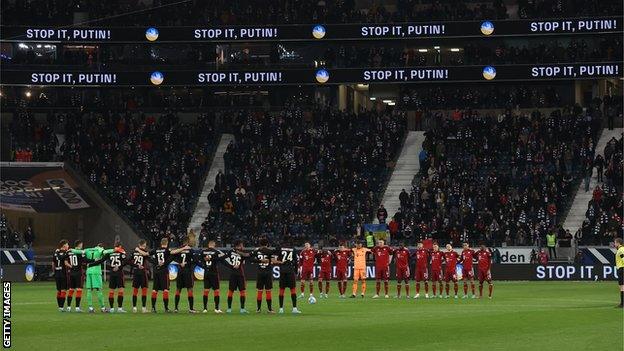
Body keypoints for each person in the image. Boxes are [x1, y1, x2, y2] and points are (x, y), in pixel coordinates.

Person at [70, 243, 117, 313]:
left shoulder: (88, 249)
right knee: (98, 290)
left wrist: (71, 250)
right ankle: (103, 308)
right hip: (96, 272)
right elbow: (106, 252)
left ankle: (90, 308)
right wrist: (114, 250)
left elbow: (79, 251)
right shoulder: (100, 249)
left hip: (89, 271)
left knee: (89, 290)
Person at [273, 239, 301, 314]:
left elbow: (274, 259)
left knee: (281, 290)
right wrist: (295, 271)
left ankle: (281, 309)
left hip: (282, 271)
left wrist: (280, 262)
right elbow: (296, 262)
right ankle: (294, 308)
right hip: (290, 271)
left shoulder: (279, 248)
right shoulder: (293, 249)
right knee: (293, 289)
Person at [223, 240, 249, 314]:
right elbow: (248, 256)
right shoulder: (241, 253)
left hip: (233, 274)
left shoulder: (230, 251)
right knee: (242, 291)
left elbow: (224, 259)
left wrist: (231, 266)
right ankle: (242, 309)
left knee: (231, 291)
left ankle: (229, 309)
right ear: (238, 245)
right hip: (240, 274)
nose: (242, 246)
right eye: (241, 245)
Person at [173, 237, 197, 313]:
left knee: (178, 289)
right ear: (188, 242)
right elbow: (195, 260)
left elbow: (173, 257)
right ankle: (191, 309)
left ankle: (176, 308)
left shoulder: (179, 249)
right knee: (189, 289)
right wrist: (188, 263)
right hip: (187, 271)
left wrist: (180, 263)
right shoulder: (190, 250)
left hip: (180, 271)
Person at [200, 240, 225, 313]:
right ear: (214, 245)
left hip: (206, 273)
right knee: (216, 291)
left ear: (208, 245)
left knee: (206, 291)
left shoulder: (203, 252)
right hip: (214, 273)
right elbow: (221, 259)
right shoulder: (216, 252)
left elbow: (200, 261)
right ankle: (216, 308)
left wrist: (204, 266)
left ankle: (205, 309)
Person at [251, 237, 274, 313]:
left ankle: (258, 309)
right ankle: (269, 309)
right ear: (267, 244)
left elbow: (251, 259)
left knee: (260, 291)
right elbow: (273, 260)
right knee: (268, 291)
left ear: (260, 244)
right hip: (268, 272)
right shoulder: (270, 251)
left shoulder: (257, 251)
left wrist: (260, 260)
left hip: (260, 273)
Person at [107, 242, 128, 313]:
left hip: (112, 273)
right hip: (119, 273)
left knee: (111, 291)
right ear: (120, 246)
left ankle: (112, 308)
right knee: (121, 290)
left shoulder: (110, 253)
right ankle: (119, 308)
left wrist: (111, 267)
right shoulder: (121, 252)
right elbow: (126, 261)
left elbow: (103, 260)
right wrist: (119, 266)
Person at [130, 240, 149, 313]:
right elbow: (146, 255)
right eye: (145, 245)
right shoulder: (145, 251)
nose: (145, 246)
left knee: (135, 290)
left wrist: (136, 265)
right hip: (143, 273)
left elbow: (129, 261)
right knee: (144, 290)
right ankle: (143, 308)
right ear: (143, 245)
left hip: (135, 272)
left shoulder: (134, 252)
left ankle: (134, 308)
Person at [66, 240, 85, 312]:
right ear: (79, 245)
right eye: (81, 245)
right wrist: (94, 260)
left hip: (71, 273)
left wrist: (70, 266)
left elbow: (66, 261)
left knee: (71, 289)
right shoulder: (80, 252)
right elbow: (85, 260)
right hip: (78, 273)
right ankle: (77, 307)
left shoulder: (70, 252)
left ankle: (68, 307)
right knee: (79, 289)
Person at [52, 240, 71, 312]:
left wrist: (54, 272)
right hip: (63, 274)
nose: (68, 246)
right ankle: (62, 307)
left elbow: (53, 264)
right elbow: (66, 263)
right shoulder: (65, 253)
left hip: (57, 274)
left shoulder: (55, 253)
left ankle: (60, 307)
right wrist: (71, 267)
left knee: (58, 290)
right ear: (64, 245)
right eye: (67, 245)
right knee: (63, 290)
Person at [614, 238, 624, 308]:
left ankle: (622, 304)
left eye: (615, 243)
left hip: (622, 269)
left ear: (618, 243)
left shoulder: (620, 250)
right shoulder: (621, 249)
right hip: (621, 268)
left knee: (622, 286)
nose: (614, 244)